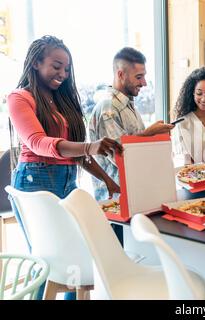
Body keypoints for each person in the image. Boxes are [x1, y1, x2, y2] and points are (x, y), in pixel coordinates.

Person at [7, 35, 122, 299]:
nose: (63, 73)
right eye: (56, 66)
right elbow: (38, 143)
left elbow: (76, 152)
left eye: (67, 69)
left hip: (67, 183)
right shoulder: (20, 98)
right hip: (35, 182)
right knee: (47, 263)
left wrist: (108, 181)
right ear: (36, 62)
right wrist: (89, 146)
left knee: (74, 259)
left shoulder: (61, 101)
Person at [89, 47, 174, 201]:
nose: (144, 83)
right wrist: (149, 133)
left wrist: (154, 135)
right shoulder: (108, 107)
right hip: (115, 199)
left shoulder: (126, 105)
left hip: (132, 193)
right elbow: (121, 155)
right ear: (121, 74)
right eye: (139, 77)